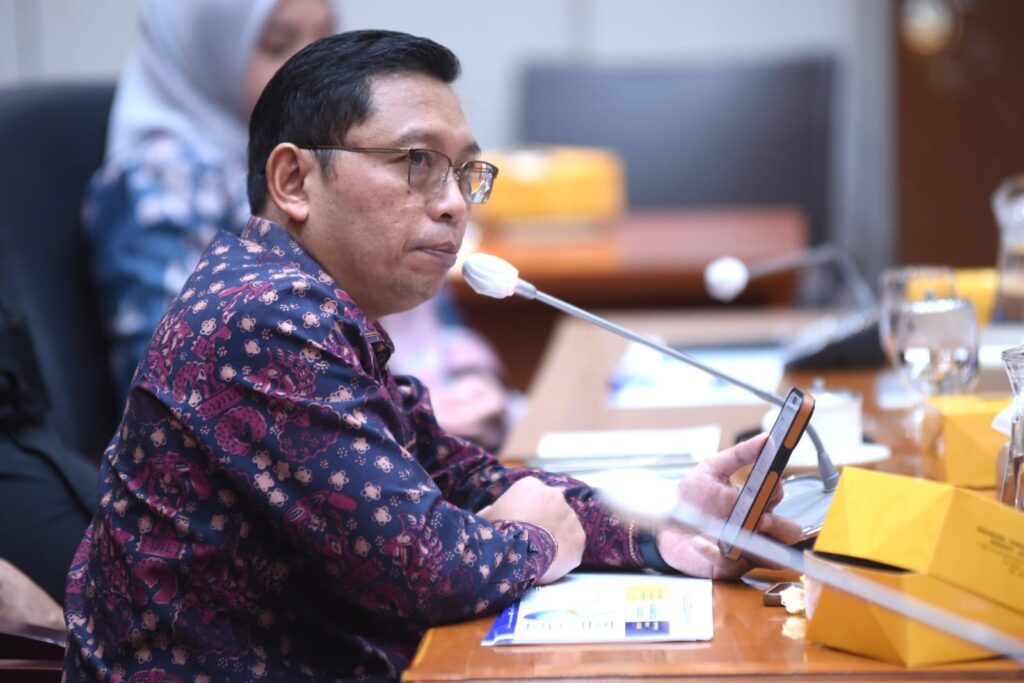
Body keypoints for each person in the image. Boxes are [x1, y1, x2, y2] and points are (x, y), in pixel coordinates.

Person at [63, 30, 802, 681]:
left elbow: (460, 480)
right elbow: (424, 568)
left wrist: (661, 528)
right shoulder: (262, 319)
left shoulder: (311, 306)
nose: (454, 203)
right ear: (294, 181)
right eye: (417, 162)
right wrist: (533, 537)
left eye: (464, 171)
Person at [86, 0, 511, 450]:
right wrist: (399, 419)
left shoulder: (370, 162)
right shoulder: (163, 182)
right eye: (278, 44)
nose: (307, 63)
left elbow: (433, 308)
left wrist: (472, 378)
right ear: (289, 179)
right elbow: (175, 370)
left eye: (323, 38)